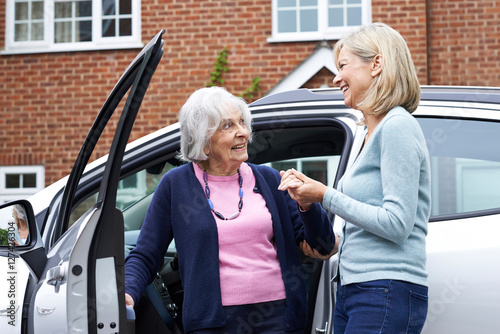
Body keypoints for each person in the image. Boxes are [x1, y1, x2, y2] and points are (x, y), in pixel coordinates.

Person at [124, 86, 336, 333]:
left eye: (242, 123)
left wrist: (307, 205)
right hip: (212, 322)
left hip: (278, 316)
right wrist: (128, 291)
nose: (243, 133)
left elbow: (322, 244)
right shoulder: (176, 186)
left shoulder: (269, 180)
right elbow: (147, 253)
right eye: (228, 126)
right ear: (203, 139)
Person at [279, 22, 431, 334]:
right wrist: (337, 243)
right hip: (358, 289)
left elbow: (398, 224)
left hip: (384, 290)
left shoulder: (396, 127)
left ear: (376, 64)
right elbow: (374, 220)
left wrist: (324, 195)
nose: (336, 78)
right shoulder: (368, 134)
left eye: (343, 66)